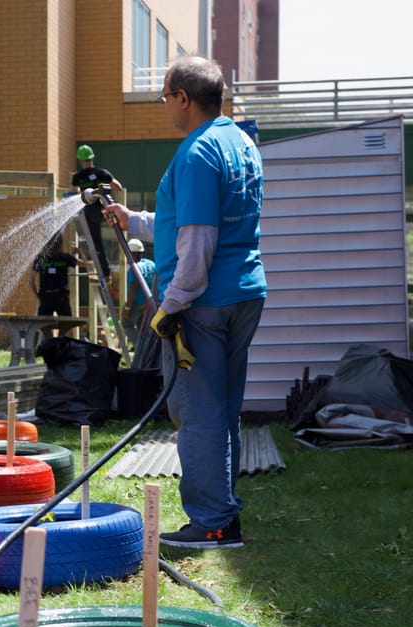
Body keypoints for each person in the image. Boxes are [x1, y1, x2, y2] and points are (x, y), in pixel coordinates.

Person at [103, 56, 267, 549]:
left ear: (183, 98)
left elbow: (197, 241)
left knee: (196, 413)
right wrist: (133, 220)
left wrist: (171, 306)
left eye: (165, 96)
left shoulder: (196, 153)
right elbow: (188, 224)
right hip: (243, 295)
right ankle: (224, 515)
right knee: (222, 410)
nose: (164, 107)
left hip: (205, 303)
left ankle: (212, 524)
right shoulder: (239, 142)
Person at [72, 144, 123, 280]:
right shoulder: (101, 173)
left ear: (81, 161)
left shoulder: (78, 177)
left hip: (88, 213)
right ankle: (106, 272)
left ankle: (105, 273)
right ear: (92, 158)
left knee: (95, 242)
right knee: (118, 234)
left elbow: (74, 193)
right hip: (105, 210)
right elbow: (118, 187)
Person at [30, 232, 84, 316]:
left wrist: (38, 296)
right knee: (67, 324)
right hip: (61, 297)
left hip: (46, 296)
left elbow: (31, 280)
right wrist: (80, 252)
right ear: (60, 244)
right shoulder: (65, 257)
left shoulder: (40, 259)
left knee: (43, 326)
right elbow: (86, 264)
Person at [121, 238, 156, 351]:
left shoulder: (134, 268)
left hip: (136, 302)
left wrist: (127, 307)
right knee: (142, 327)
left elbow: (134, 288)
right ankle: (146, 349)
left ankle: (141, 347)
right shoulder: (150, 264)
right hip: (149, 302)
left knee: (126, 323)